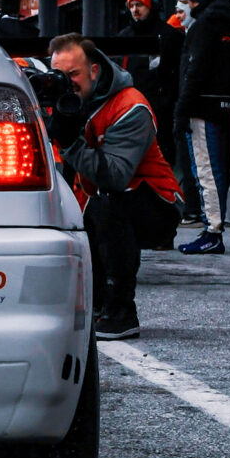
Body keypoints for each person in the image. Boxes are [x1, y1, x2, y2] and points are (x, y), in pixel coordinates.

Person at [49, 34, 183, 341]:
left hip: (156, 203)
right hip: (96, 198)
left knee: (109, 204)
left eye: (74, 75)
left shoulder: (130, 106)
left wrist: (71, 143)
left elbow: (116, 176)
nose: (67, 84)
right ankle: (95, 304)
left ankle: (121, 311)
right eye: (60, 75)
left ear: (94, 71)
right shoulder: (61, 102)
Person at [173, 0, 230, 254]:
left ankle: (212, 232)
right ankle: (213, 228)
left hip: (201, 108)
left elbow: (195, 72)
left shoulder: (203, 27)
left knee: (205, 170)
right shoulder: (229, 24)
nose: (189, 6)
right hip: (224, 107)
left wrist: (181, 111)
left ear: (198, 0)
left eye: (190, 1)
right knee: (220, 169)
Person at [119, 0, 178, 159]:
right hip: (130, 111)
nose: (135, 10)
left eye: (140, 4)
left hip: (161, 113)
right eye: (132, 5)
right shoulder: (123, 37)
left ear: (151, 5)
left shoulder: (169, 36)